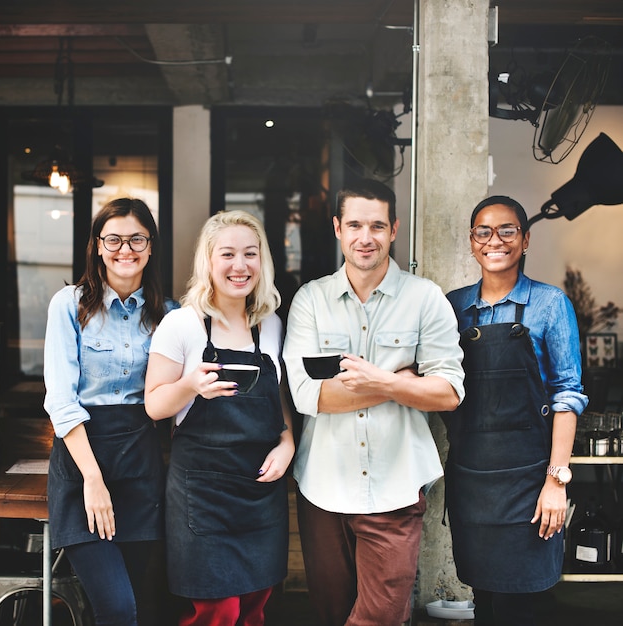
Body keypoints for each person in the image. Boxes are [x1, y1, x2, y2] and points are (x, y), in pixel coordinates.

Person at [282, 178, 465, 626]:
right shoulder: (311, 300)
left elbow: (448, 392)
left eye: (378, 226)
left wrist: (376, 380)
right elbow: (308, 395)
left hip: (396, 487)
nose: (367, 237)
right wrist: (402, 383)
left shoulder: (426, 299)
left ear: (394, 229)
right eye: (356, 225)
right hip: (324, 487)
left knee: (381, 617)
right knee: (331, 614)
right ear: (337, 228)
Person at [144, 209, 294, 626]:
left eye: (251, 253)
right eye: (227, 254)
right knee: (216, 611)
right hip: (203, 496)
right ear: (208, 261)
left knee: (253, 608)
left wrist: (287, 441)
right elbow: (155, 404)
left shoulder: (271, 325)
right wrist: (191, 385)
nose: (240, 265)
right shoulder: (182, 324)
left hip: (260, 493)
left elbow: (278, 394)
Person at [444, 195, 588, 626]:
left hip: (530, 481)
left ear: (525, 240)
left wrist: (556, 481)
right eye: (483, 232)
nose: (495, 241)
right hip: (471, 482)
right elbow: (437, 386)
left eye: (507, 230)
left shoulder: (550, 304)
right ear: (472, 242)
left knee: (520, 605)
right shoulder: (452, 307)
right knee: (484, 602)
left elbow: (568, 394)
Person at [43, 197, 178, 626]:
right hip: (83, 465)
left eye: (137, 238)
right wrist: (92, 479)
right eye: (114, 239)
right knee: (117, 606)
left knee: (134, 602)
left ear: (151, 245)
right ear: (98, 246)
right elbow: (62, 401)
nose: (126, 249)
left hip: (141, 464)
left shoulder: (168, 315)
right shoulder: (69, 305)